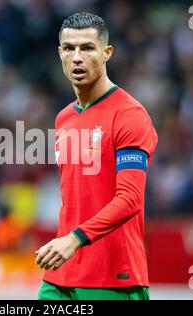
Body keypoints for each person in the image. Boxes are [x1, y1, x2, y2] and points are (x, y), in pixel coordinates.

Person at [35, 12, 158, 300]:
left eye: (87, 48)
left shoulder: (130, 116)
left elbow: (130, 199)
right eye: (69, 48)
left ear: (107, 53)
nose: (77, 57)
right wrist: (67, 244)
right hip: (60, 275)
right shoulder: (64, 118)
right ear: (60, 54)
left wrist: (74, 240)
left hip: (112, 278)